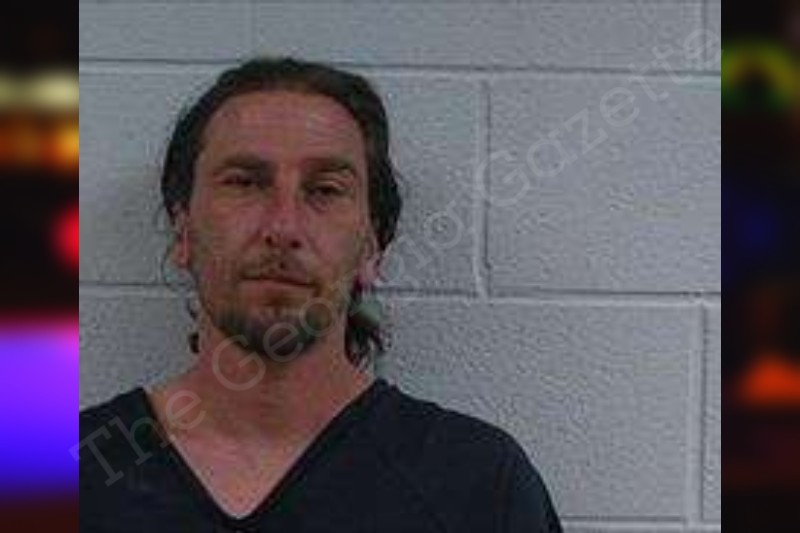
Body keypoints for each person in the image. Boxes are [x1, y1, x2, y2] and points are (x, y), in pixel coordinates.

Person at [78, 57, 562, 532]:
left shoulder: (477, 485)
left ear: (372, 246)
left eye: (325, 190)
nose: (283, 227)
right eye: (244, 183)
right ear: (182, 230)